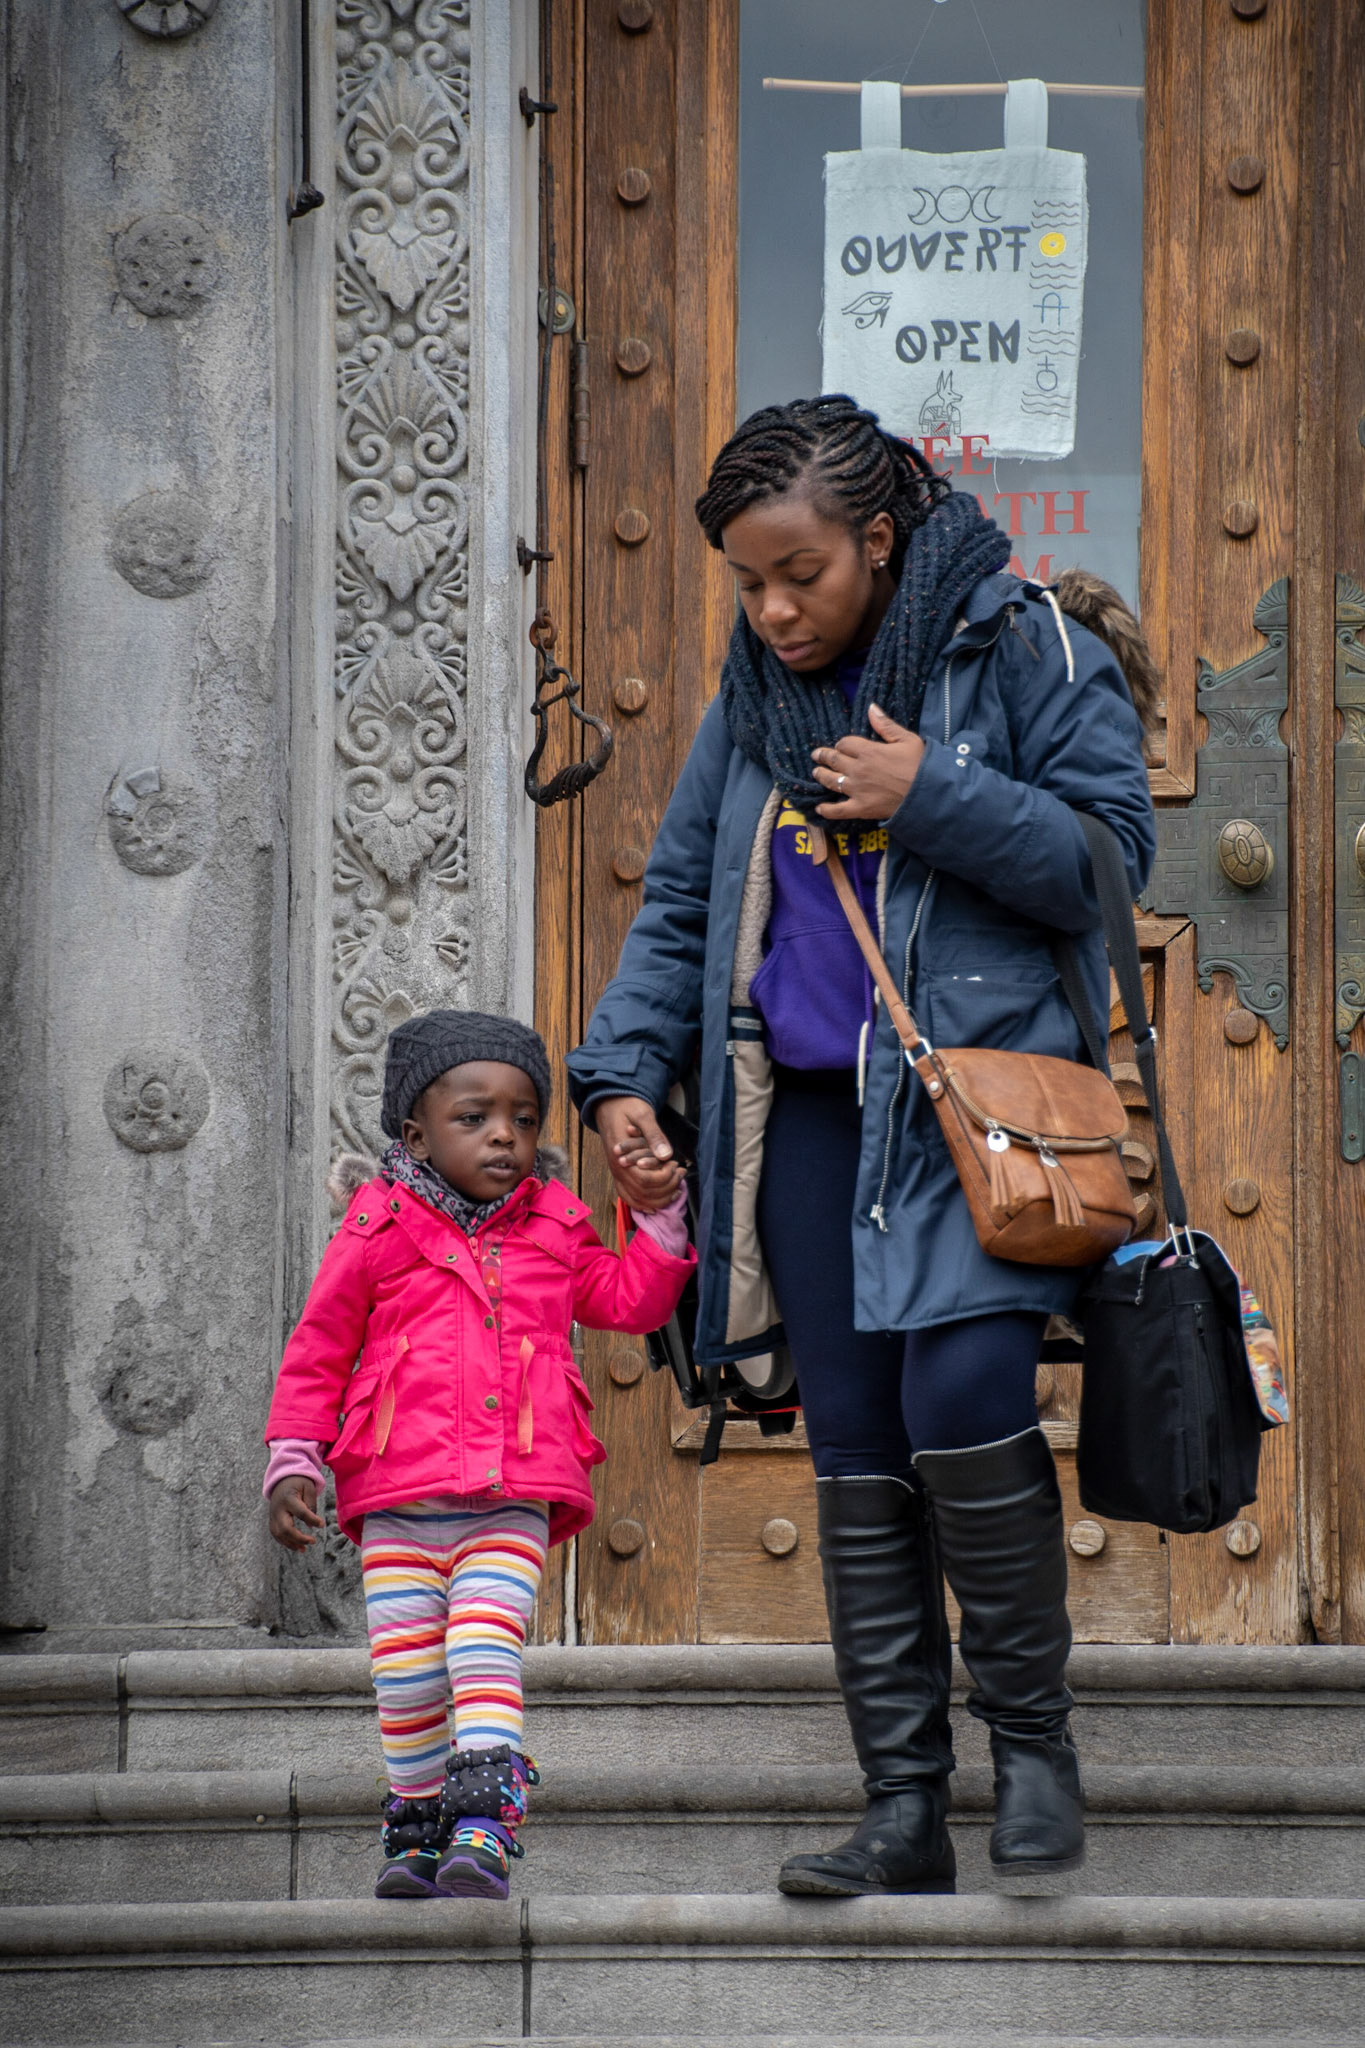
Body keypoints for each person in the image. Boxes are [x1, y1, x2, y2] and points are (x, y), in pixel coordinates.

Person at [566, 396, 1156, 1897]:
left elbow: (1105, 863)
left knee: (961, 1394)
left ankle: (1035, 1756)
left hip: (974, 1114)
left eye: (801, 574)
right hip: (808, 1120)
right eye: (748, 582)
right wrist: (621, 1071)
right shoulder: (750, 704)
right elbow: (685, 904)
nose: (773, 610)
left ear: (880, 539)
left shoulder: (1024, 644)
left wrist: (928, 795)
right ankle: (904, 1807)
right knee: (852, 1444)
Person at [264, 1009, 692, 1901]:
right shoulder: (376, 1227)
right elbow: (320, 1346)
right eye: (475, 1117)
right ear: (416, 1134)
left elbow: (627, 1300)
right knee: (406, 1673)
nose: (504, 1135)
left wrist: (659, 1220)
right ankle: (417, 1828)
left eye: (523, 1118)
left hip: (509, 1493)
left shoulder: (555, 1225)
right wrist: (295, 1456)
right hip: (398, 1496)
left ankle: (484, 1823)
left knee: (481, 1645)